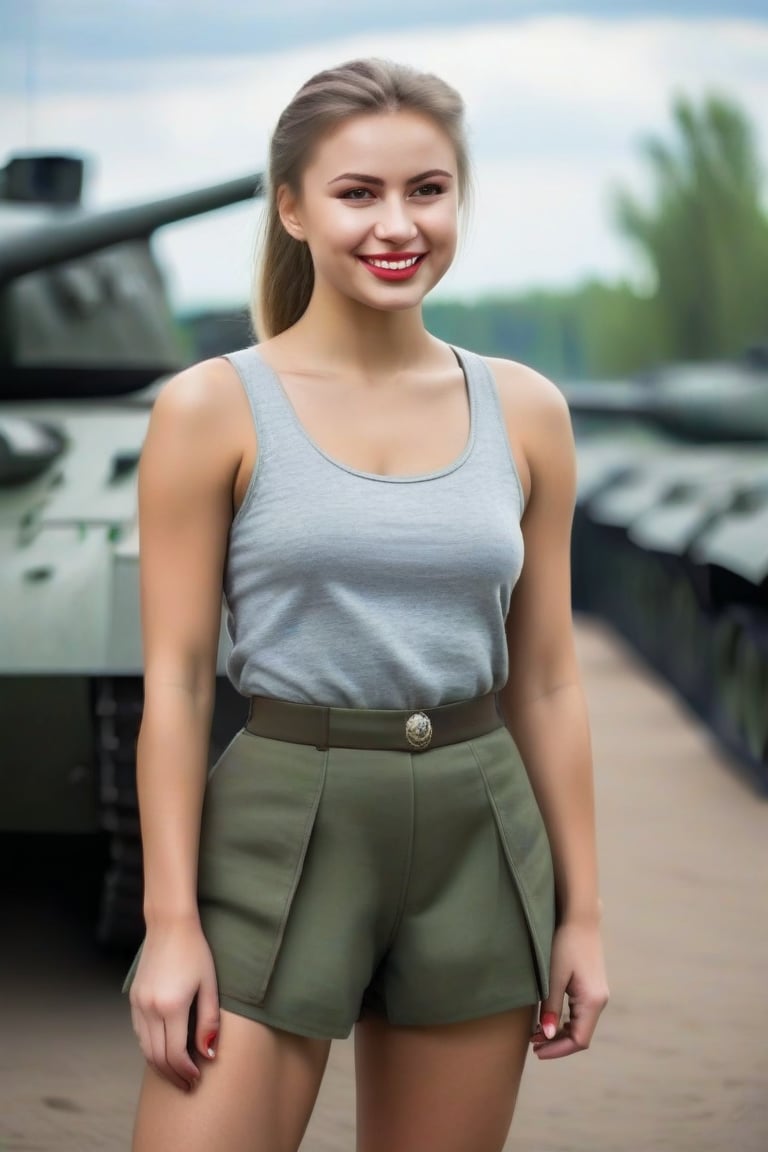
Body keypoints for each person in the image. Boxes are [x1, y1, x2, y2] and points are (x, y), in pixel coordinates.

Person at [125, 57, 609, 1152]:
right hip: (279, 827)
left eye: (427, 190)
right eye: (358, 193)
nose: (399, 224)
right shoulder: (210, 408)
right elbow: (179, 681)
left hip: (478, 831)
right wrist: (169, 928)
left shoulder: (527, 411)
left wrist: (582, 914)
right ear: (292, 206)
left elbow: (545, 678)